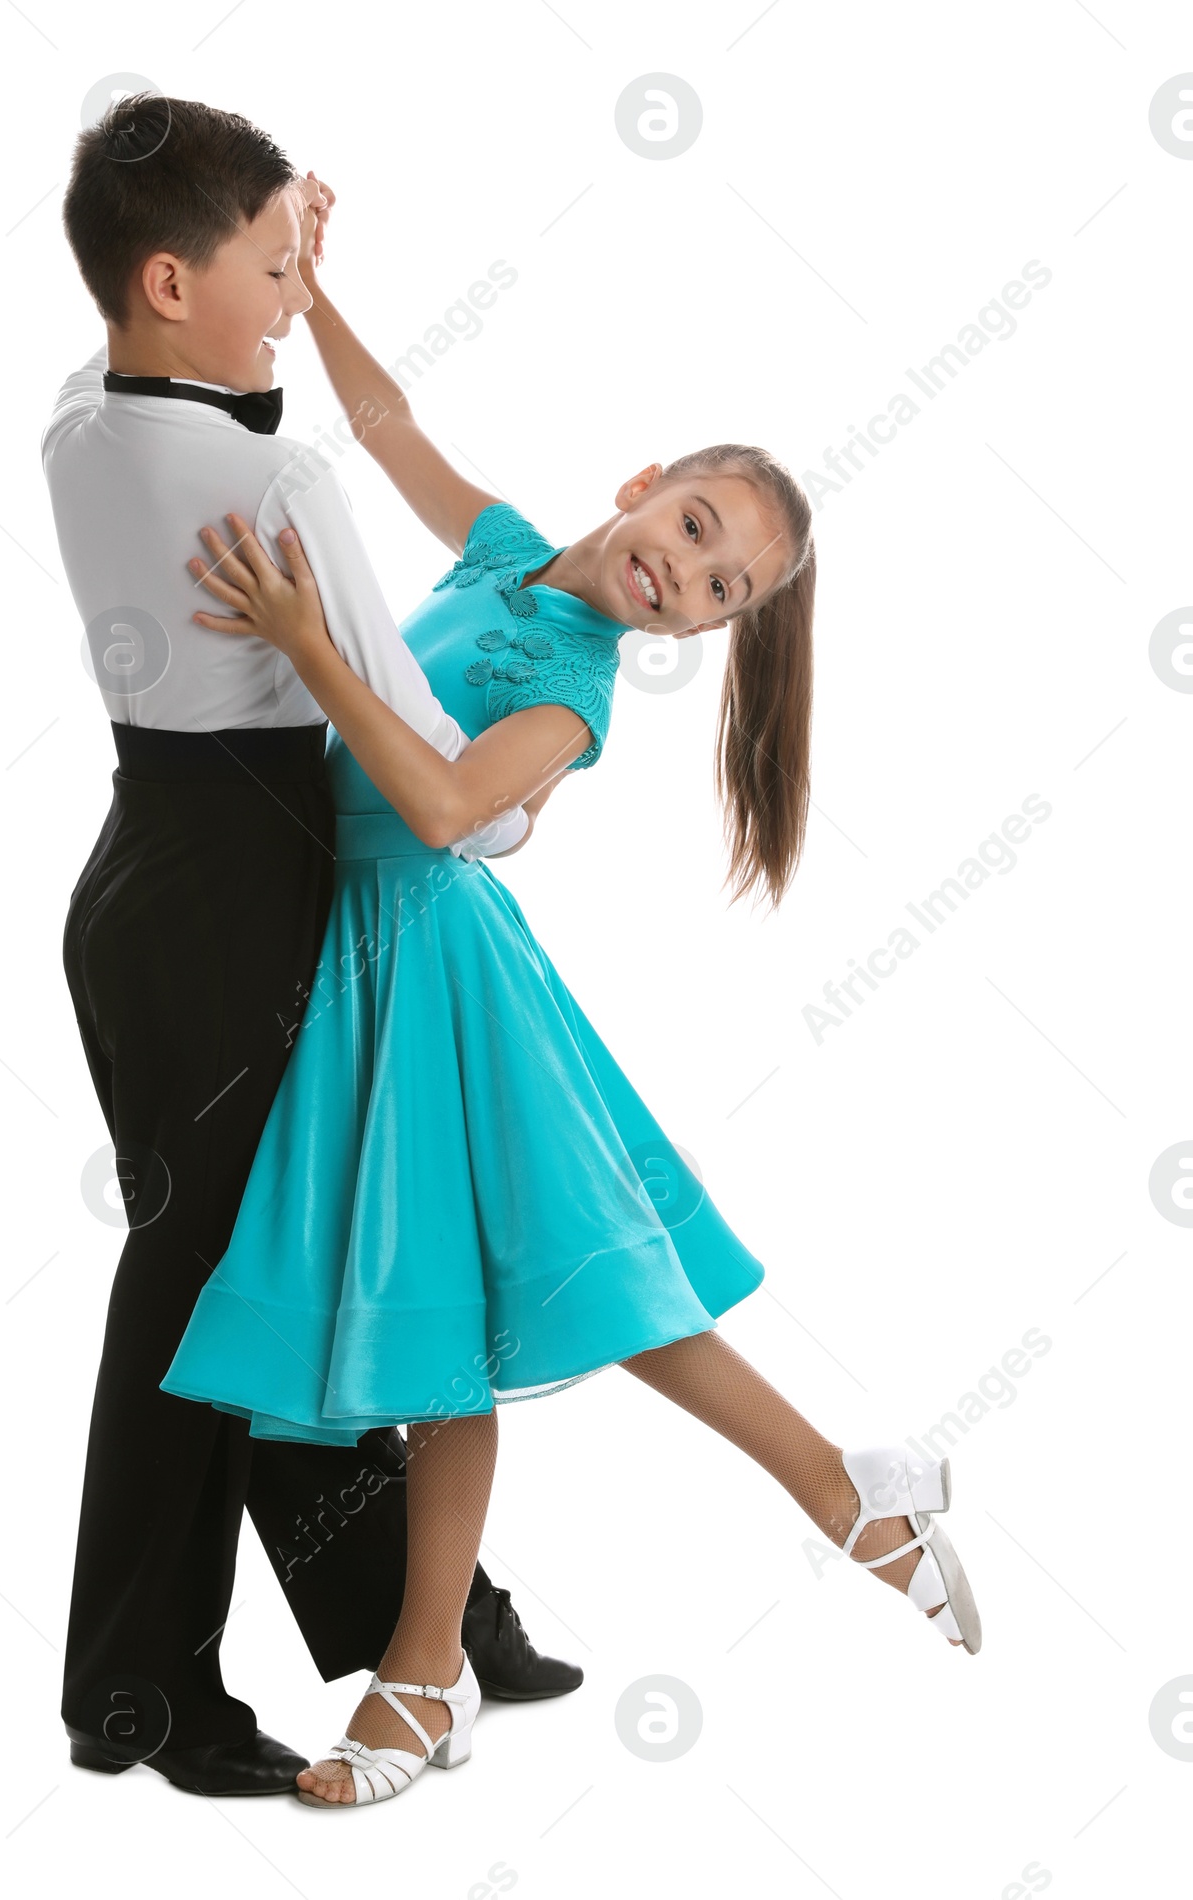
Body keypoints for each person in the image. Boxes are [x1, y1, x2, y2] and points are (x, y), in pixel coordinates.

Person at [160, 188, 984, 1807]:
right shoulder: (506, 548)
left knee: (510, 1319)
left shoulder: (574, 692)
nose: (683, 574)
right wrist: (312, 293)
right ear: (643, 485)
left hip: (438, 979)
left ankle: (432, 1672)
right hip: (357, 965)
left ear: (715, 630)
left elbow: (450, 807)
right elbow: (390, 428)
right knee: (505, 1319)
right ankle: (837, 1499)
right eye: (690, 526)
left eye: (721, 586)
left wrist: (305, 639)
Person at [41, 94, 579, 1799]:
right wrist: (519, 806)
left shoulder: (78, 421)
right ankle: (141, 1693)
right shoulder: (280, 480)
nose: (293, 295)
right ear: (169, 279)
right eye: (273, 268)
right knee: (213, 1301)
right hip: (241, 910)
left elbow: (208, 394)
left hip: (145, 879)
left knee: (278, 1265)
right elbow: (430, 757)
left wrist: (282, 258)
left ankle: (425, 1613)